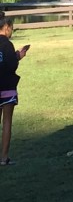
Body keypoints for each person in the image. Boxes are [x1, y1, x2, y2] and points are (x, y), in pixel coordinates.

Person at [0, 15, 29, 166]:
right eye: (12, 28)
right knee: (7, 123)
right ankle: (4, 157)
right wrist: (19, 56)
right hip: (7, 88)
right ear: (6, 28)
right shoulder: (7, 45)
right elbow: (11, 65)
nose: (12, 31)